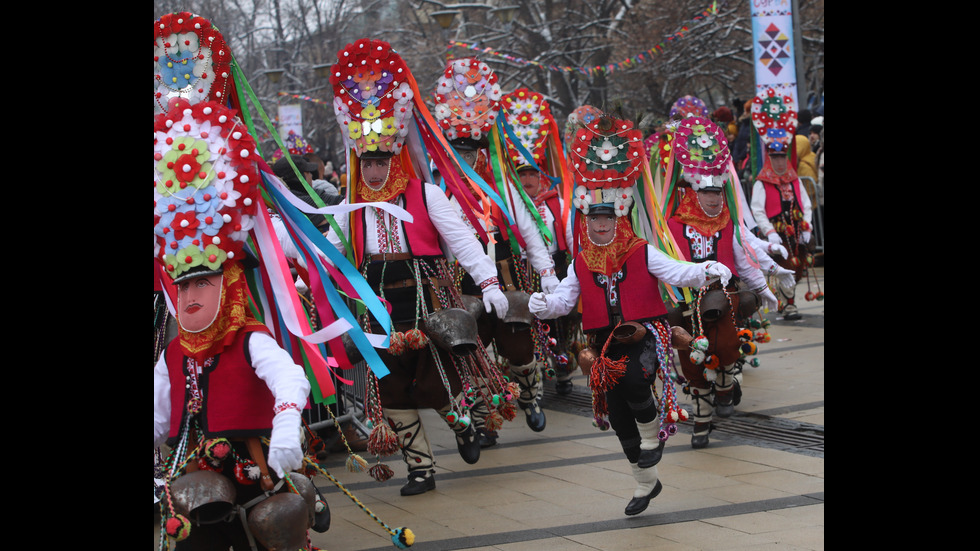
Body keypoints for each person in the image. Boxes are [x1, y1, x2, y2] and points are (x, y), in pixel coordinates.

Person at [325, 39, 512, 496]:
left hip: (425, 290)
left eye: (380, 161)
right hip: (377, 300)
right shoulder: (351, 207)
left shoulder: (425, 195)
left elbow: (462, 239)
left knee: (434, 376)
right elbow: (329, 251)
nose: (372, 172)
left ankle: (461, 421)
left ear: (396, 156)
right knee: (390, 386)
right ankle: (421, 469)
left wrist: (489, 281)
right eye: (366, 162)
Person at [529, 113, 733, 516]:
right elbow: (565, 302)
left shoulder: (642, 249)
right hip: (602, 344)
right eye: (593, 219)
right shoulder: (581, 261)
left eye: (607, 219)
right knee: (618, 415)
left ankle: (654, 441)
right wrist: (543, 304)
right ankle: (645, 484)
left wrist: (707, 269)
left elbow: (678, 271)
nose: (600, 226)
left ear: (619, 216)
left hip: (645, 334)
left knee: (638, 382)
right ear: (586, 220)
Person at [154, 97, 316, 550]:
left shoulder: (249, 340)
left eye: (201, 284)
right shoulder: (172, 353)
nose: (189, 297)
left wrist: (286, 427)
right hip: (195, 477)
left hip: (254, 468)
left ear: (227, 287)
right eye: (183, 287)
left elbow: (291, 379)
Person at [433, 59, 560, 441]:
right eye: (458, 151)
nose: (466, 159)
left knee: (518, 346)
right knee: (469, 353)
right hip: (462, 282)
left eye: (472, 151)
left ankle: (530, 396)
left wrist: (549, 273)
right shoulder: (439, 191)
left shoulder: (502, 187)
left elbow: (529, 230)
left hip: (505, 274)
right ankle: (485, 420)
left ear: (484, 151)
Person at [660, 115, 779, 448]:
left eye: (718, 192)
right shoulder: (673, 223)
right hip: (687, 298)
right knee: (690, 358)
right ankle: (701, 419)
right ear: (694, 191)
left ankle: (726, 384)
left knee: (727, 343)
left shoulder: (729, 222)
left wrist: (763, 288)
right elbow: (665, 264)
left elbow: (743, 259)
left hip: (723, 297)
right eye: (707, 193)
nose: (714, 199)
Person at [500, 87, 578, 397]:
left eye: (533, 173)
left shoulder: (556, 203)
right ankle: (530, 374)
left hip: (554, 268)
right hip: (519, 272)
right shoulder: (507, 206)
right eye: (522, 174)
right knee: (525, 326)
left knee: (558, 323)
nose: (528, 180)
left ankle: (561, 370)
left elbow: (570, 236)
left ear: (542, 175)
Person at [748, 89, 815, 320]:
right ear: (769, 157)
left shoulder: (794, 178)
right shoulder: (761, 182)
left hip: (796, 229)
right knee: (784, 263)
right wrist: (769, 232)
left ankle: (788, 298)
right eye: (774, 157)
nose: (778, 161)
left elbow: (805, 203)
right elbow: (757, 209)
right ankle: (789, 304)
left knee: (798, 265)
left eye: (781, 157)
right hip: (776, 232)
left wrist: (807, 226)